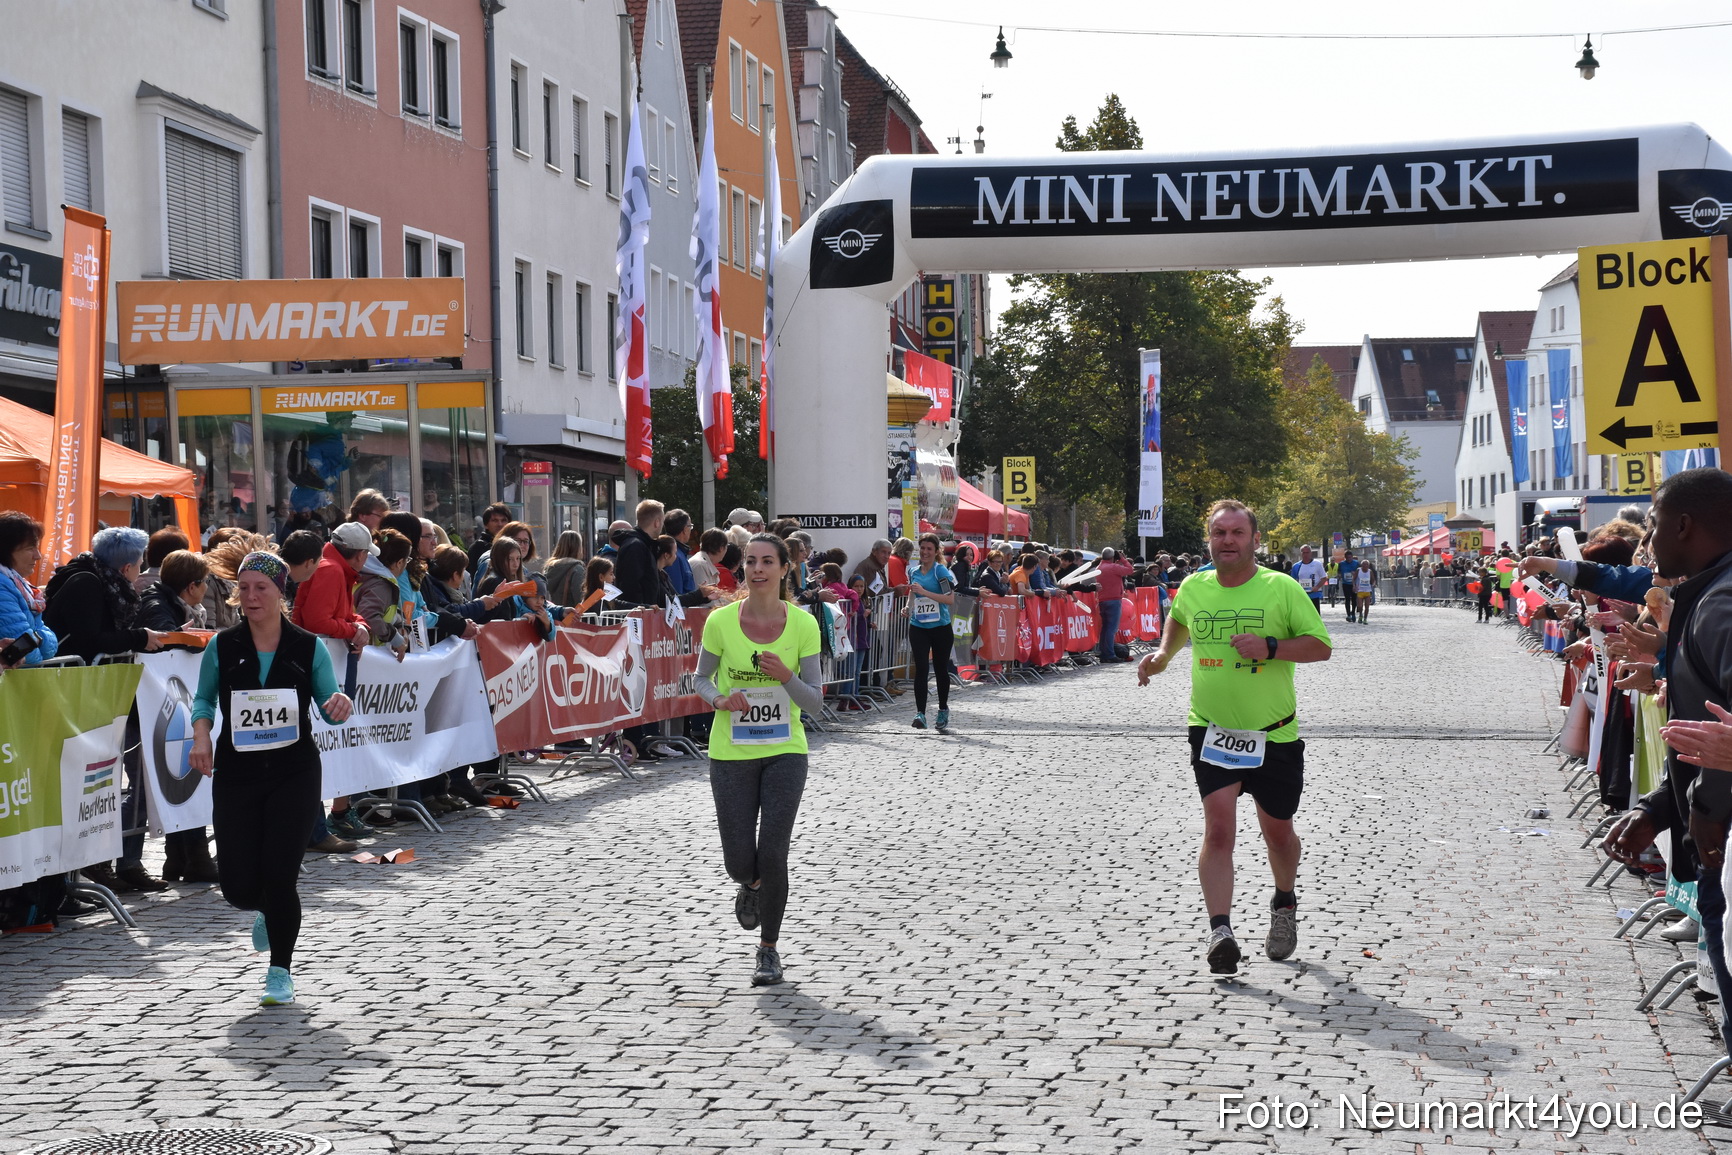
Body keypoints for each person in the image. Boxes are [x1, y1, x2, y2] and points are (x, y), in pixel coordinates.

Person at [1136, 500, 1333, 974]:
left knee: (1278, 833)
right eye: (1219, 533)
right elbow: (1180, 618)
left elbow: (1320, 647)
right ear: (1209, 539)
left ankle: (1283, 901)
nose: (1228, 540)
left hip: (1275, 734)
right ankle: (1220, 930)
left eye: (1237, 533)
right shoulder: (1193, 586)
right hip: (1211, 729)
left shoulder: (1281, 589)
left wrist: (1270, 647)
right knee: (1219, 828)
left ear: (1255, 540)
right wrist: (1163, 655)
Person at [188, 551, 355, 1007]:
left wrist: (338, 706)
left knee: (281, 876)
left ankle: (279, 971)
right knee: (239, 887)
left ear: (281, 592)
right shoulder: (222, 646)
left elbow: (329, 703)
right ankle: (262, 908)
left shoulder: (307, 646)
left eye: (261, 587)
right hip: (238, 773)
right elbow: (202, 701)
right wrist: (201, 738)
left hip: (294, 772)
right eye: (243, 588)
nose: (251, 596)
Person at [692, 534, 825, 986]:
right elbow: (701, 678)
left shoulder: (804, 625)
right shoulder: (721, 622)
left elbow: (815, 704)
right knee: (738, 861)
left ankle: (768, 949)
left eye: (768, 561)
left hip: (786, 750)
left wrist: (786, 676)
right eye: (751, 561)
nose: (758, 569)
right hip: (731, 752)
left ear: (785, 568)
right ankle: (748, 886)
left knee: (773, 852)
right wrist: (720, 701)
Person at [44, 527, 170, 893]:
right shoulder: (87, 583)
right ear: (129, 566)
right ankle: (76, 876)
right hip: (74, 692)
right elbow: (89, 639)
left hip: (95, 693)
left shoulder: (101, 582)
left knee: (103, 781)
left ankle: (104, 866)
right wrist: (138, 638)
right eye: (140, 562)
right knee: (85, 784)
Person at [290, 521, 374, 840]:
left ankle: (329, 819)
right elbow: (318, 621)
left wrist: (359, 626)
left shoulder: (336, 568)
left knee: (332, 742)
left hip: (324, 661)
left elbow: (346, 614)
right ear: (358, 555)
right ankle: (318, 826)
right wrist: (354, 631)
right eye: (367, 554)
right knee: (318, 746)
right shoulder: (331, 570)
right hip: (314, 663)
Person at [903, 533, 958, 732]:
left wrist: (925, 592)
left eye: (929, 549)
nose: (925, 552)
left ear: (936, 552)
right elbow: (912, 591)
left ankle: (943, 709)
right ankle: (921, 714)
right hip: (918, 626)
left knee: (941, 669)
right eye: (923, 548)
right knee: (921, 669)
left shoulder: (940, 571)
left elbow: (949, 599)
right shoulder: (913, 571)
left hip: (940, 628)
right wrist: (908, 607)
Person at [0, 512, 58, 668]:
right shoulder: (2, 586)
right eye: (30, 548)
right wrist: (39, 638)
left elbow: (45, 647)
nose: (38, 556)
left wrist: (36, 637)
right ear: (7, 550)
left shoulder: (18, 584)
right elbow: (29, 656)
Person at [1094, 547, 1136, 662]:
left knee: (1105, 629)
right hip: (1113, 600)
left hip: (1103, 600)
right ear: (1113, 557)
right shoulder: (1113, 567)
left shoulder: (1100, 567)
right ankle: (1109, 655)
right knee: (1111, 629)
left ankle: (1104, 653)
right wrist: (1123, 559)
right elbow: (1130, 570)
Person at [544, 530, 587, 606]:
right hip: (572, 615)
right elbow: (580, 598)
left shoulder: (551, 568)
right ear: (578, 548)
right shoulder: (577, 569)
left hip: (556, 614)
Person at [467, 502, 512, 575]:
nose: (500, 524)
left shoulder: (513, 545)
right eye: (495, 520)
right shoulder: (477, 548)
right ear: (486, 525)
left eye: (503, 520)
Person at [1289, 545, 1327, 616]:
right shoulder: (1296, 566)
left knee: (1315, 616)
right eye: (1304, 553)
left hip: (1314, 595)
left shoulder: (1317, 564)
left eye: (1307, 552)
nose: (1305, 554)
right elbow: (1293, 581)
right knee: (1303, 616)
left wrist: (1317, 587)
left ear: (1311, 553)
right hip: (1302, 595)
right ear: (1301, 554)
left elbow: (1324, 578)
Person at [1337, 553, 1359, 622]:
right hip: (1345, 583)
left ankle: (1353, 613)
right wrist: (1340, 575)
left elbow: (1360, 571)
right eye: (1347, 558)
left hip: (1354, 584)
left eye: (1350, 557)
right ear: (1345, 557)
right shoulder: (1341, 564)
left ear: (1352, 557)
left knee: (1354, 599)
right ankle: (1348, 614)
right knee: (1347, 599)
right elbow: (1339, 571)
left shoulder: (1356, 563)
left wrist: (1355, 573)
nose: (1349, 559)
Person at [1353, 556, 1376, 623]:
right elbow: (1354, 579)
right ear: (1361, 565)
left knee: (1367, 607)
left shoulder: (1370, 571)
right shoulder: (1358, 570)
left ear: (1368, 566)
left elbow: (1373, 580)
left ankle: (1365, 619)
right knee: (1360, 606)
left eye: (1367, 565)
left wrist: (1374, 584)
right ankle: (1360, 615)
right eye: (1364, 564)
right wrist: (1354, 586)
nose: (1365, 566)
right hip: (1360, 591)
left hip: (1367, 591)